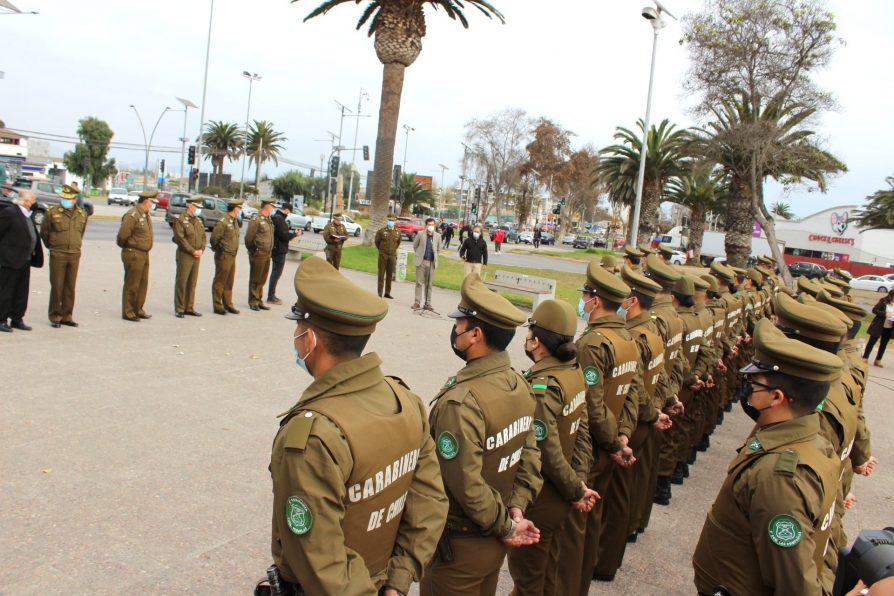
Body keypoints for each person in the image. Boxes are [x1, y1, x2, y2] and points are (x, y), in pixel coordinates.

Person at [262, 256, 448, 596]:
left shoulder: (313, 435)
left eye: (297, 329)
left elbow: (321, 555)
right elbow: (430, 502)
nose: (295, 338)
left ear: (311, 339)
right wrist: (398, 582)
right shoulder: (405, 401)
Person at [692, 318, 842, 596]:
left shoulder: (780, 477)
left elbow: (796, 584)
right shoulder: (810, 442)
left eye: (754, 382)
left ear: (776, 398)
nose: (747, 387)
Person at [422, 273, 542, 596]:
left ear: (475, 334)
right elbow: (529, 456)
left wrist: (507, 524)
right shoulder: (519, 385)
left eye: (459, 324)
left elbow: (467, 484)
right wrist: (516, 509)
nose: (455, 330)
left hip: (458, 550)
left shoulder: (461, 403)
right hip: (495, 542)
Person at [555, 261, 639, 596]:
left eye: (587, 296)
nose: (584, 302)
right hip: (611, 440)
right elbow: (632, 390)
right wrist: (623, 435)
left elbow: (592, 402)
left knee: (573, 531)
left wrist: (612, 442)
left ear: (596, 300)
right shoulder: (626, 336)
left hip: (592, 445)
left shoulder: (594, 342)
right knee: (592, 523)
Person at [507, 300, 598, 596]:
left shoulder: (543, 386)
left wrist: (575, 489)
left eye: (530, 333)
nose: (527, 339)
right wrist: (579, 482)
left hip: (542, 498)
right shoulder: (573, 372)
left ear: (538, 343)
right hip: (562, 493)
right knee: (548, 576)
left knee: (528, 581)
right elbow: (583, 433)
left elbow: (547, 450)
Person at [40, 184, 88, 327]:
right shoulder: (52, 212)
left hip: (74, 254)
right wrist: (53, 246)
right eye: (63, 198)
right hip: (58, 253)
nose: (65, 201)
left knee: (70, 286)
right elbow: (44, 232)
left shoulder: (81, 214)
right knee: (57, 286)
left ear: (75, 199)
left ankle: (67, 315)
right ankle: (55, 315)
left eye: (69, 199)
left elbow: (81, 232)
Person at [0, 190, 43, 332]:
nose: (35, 202)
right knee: (7, 291)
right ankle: (1, 319)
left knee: (21, 292)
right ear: (25, 201)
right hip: (10, 260)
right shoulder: (10, 213)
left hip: (25, 259)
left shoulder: (27, 215)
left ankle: (17, 319)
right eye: (33, 200)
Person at [116, 190, 156, 322]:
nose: (153, 205)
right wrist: (129, 247)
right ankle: (128, 311)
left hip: (144, 254)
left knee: (142, 284)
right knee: (132, 283)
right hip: (133, 253)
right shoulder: (132, 215)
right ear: (146, 201)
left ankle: (138, 309)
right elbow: (122, 235)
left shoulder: (145, 215)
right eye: (152, 202)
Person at [172, 196, 205, 318]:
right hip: (185, 255)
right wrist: (192, 251)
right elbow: (180, 239)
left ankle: (189, 307)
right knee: (182, 281)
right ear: (190, 206)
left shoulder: (198, 220)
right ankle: (179, 308)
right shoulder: (180, 219)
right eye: (197, 207)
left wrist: (201, 249)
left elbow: (203, 237)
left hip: (197, 255)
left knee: (192, 282)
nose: (198, 209)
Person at [210, 199, 243, 315]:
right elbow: (214, 239)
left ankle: (228, 304)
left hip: (232, 254)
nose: (240, 210)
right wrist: (218, 249)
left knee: (229, 281)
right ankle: (217, 305)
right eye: (239, 208)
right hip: (224, 255)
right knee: (220, 281)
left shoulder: (234, 221)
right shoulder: (223, 221)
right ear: (235, 208)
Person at [245, 198, 276, 311]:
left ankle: (259, 300)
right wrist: (252, 250)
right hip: (258, 252)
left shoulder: (268, 219)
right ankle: (253, 301)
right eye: (272, 206)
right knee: (255, 278)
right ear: (267, 207)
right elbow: (249, 237)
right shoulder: (256, 219)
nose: (273, 209)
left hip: (267, 253)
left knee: (262, 278)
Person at [267, 202, 298, 305]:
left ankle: (271, 295)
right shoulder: (279, 219)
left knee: (275, 272)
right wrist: (295, 234)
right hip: (279, 250)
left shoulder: (276, 217)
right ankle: (271, 296)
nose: (288, 214)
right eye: (289, 212)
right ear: (286, 210)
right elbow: (284, 236)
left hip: (276, 248)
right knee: (276, 273)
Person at [412, 217, 441, 311]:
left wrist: (434, 257)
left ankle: (428, 303)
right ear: (426, 225)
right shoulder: (420, 234)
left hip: (431, 262)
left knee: (429, 284)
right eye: (429, 225)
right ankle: (417, 302)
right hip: (421, 262)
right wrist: (419, 255)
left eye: (432, 225)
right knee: (419, 283)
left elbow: (438, 249)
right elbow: (415, 246)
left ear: (434, 225)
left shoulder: (438, 236)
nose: (431, 226)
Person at [863, 290, 894, 366]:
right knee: (872, 342)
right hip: (879, 325)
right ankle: (865, 357)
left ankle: (878, 360)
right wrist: (885, 314)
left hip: (889, 327)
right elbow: (874, 310)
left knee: (883, 344)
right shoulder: (883, 301)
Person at [374, 216, 401, 299]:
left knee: (390, 275)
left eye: (392, 220)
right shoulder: (381, 231)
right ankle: (380, 293)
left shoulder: (398, 232)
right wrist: (382, 250)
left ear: (395, 221)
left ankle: (387, 293)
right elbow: (377, 242)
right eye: (389, 220)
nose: (391, 222)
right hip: (383, 255)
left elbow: (398, 243)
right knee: (381, 274)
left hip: (392, 255)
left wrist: (392, 250)